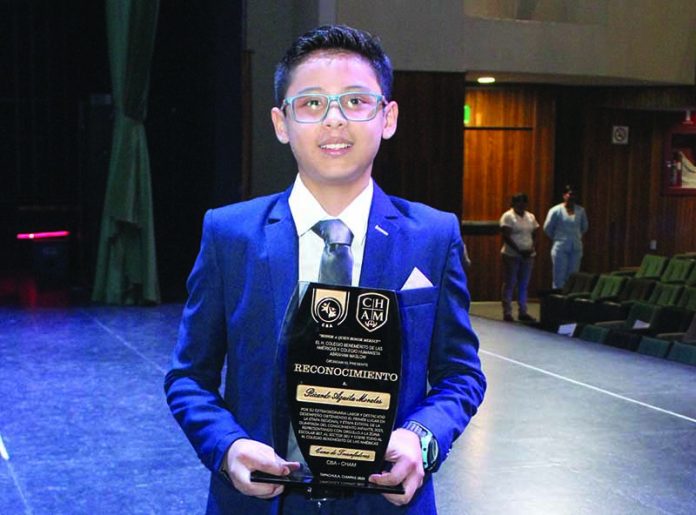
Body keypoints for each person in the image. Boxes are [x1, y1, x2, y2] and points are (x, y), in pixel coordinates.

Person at [164, 25, 486, 515]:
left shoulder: (433, 236)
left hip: (385, 503)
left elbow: (460, 375)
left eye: (356, 101)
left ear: (387, 117)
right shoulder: (229, 234)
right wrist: (228, 447)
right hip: (260, 504)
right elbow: (188, 377)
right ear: (281, 122)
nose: (334, 119)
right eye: (312, 103)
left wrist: (420, 439)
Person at [499, 193, 539, 322]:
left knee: (524, 284)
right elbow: (506, 236)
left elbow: (534, 233)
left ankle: (523, 311)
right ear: (514, 203)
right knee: (510, 282)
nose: (521, 204)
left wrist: (531, 247)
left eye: (524, 202)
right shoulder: (508, 216)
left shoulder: (530, 216)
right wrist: (519, 250)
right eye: (519, 202)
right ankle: (507, 312)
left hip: (528, 255)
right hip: (512, 254)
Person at [543, 185, 589, 289]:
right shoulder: (555, 210)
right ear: (564, 195)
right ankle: (558, 296)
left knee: (573, 276)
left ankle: (570, 297)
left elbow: (584, 227)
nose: (572, 197)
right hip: (560, 247)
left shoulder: (581, 211)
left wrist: (575, 236)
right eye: (570, 194)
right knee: (559, 276)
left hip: (576, 247)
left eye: (574, 195)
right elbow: (547, 228)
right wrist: (558, 238)